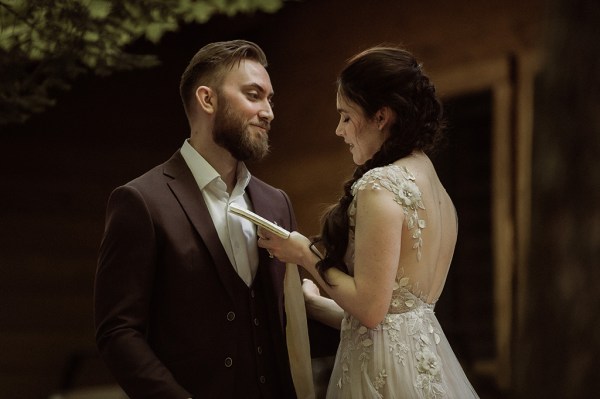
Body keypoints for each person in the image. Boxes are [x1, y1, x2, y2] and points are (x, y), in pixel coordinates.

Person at [258, 45, 480, 398]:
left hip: (384, 378)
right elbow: (393, 318)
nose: (338, 130)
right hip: (427, 370)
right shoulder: (438, 191)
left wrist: (304, 253)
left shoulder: (380, 185)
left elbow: (372, 310)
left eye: (346, 116)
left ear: (381, 117)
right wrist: (314, 304)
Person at [94, 40, 301, 399]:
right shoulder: (141, 201)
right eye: (254, 95)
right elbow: (118, 332)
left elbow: (286, 313)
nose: (268, 112)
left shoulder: (276, 203)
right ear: (207, 100)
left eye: (270, 99)